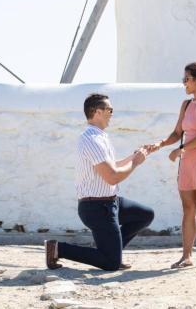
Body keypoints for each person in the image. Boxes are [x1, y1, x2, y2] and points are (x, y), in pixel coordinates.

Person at [45, 93, 155, 271]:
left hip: (111, 202)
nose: (112, 113)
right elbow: (112, 176)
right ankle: (58, 248)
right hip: (96, 208)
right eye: (109, 110)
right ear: (97, 112)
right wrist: (135, 163)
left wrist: (135, 156)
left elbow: (111, 166)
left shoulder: (101, 137)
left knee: (145, 215)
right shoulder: (91, 139)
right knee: (110, 264)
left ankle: (112, 251)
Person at [145, 62, 196, 268]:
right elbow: (177, 133)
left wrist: (181, 149)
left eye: (186, 79)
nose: (184, 83)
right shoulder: (186, 104)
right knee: (187, 207)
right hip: (188, 160)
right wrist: (160, 144)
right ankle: (186, 256)